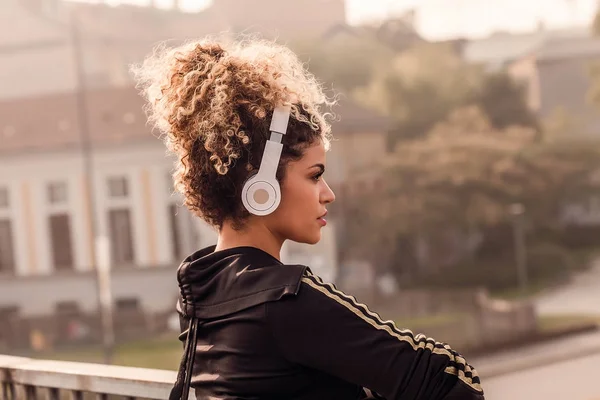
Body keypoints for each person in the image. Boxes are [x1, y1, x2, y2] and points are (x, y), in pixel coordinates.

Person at [132, 36, 485, 400]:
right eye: (315, 175)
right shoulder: (287, 301)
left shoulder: (200, 294)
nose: (328, 193)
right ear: (261, 186)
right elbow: (450, 383)